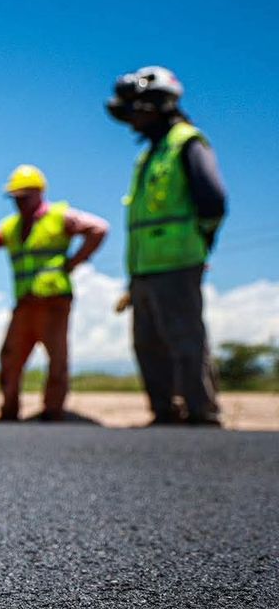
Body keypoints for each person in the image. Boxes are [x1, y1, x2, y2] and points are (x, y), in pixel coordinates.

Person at [106, 66, 227, 425]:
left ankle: (201, 413)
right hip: (144, 268)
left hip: (177, 262)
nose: (131, 119)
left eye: (135, 108)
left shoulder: (186, 142)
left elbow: (213, 202)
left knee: (185, 339)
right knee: (147, 344)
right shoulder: (149, 155)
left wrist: (199, 244)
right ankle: (164, 414)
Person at [0, 165, 108, 421]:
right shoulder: (11, 227)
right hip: (25, 303)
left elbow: (98, 229)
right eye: (15, 198)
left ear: (39, 193)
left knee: (56, 359)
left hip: (54, 301)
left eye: (24, 197)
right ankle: (9, 411)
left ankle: (52, 412)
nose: (19, 203)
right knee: (10, 357)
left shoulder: (58, 216)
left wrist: (74, 262)